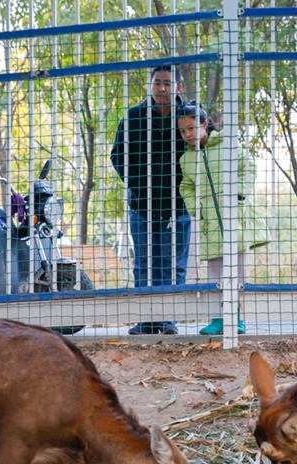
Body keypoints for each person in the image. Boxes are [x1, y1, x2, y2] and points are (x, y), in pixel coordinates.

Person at [110, 66, 191, 335]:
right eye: (157, 83)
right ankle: (146, 321)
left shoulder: (190, 115)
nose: (162, 89)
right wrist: (138, 185)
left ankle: (168, 320)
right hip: (142, 206)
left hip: (178, 207)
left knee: (173, 265)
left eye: (168, 84)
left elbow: (206, 144)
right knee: (144, 264)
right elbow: (117, 156)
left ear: (178, 87)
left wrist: (189, 187)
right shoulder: (133, 117)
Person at [176, 104, 270, 335]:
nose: (187, 134)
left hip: (235, 221)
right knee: (216, 274)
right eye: (182, 131)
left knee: (237, 274)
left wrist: (239, 193)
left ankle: (235, 319)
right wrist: (195, 207)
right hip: (210, 224)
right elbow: (186, 186)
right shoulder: (186, 160)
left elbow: (248, 166)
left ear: (204, 124)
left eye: (191, 128)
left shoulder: (228, 145)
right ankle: (218, 320)